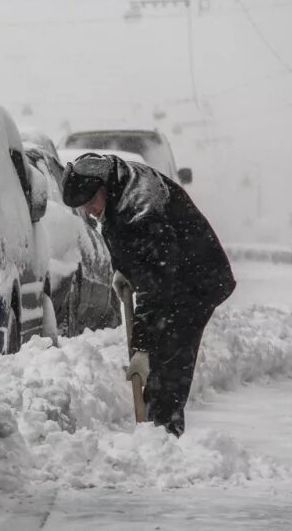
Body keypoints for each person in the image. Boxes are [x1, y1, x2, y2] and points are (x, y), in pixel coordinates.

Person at [62, 153, 236, 437]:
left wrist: (142, 348)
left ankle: (165, 432)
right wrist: (124, 270)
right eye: (83, 206)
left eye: (91, 201)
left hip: (196, 281)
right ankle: (159, 427)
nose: (89, 210)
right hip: (175, 274)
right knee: (162, 352)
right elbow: (127, 243)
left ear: (102, 186)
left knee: (170, 355)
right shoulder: (119, 185)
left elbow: (155, 286)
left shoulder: (140, 210)